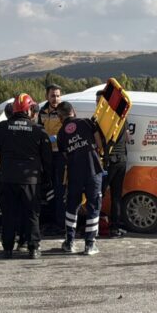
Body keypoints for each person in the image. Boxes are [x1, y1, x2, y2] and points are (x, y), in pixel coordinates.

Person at [0, 94, 52, 259]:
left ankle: (7, 248)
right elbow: (47, 159)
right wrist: (48, 179)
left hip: (7, 178)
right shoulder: (38, 130)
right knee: (32, 214)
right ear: (29, 110)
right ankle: (33, 248)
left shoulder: (0, 129)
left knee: (9, 214)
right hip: (31, 181)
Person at [57, 101, 105, 255]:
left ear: (60, 117)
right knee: (93, 206)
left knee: (72, 206)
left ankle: (70, 243)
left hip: (75, 173)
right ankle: (90, 245)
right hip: (93, 170)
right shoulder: (87, 122)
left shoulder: (61, 133)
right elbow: (99, 144)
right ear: (73, 111)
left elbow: (65, 155)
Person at [97, 89, 128, 237]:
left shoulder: (101, 119)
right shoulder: (122, 118)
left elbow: (98, 142)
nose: (97, 105)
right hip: (122, 160)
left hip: (108, 161)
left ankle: (94, 225)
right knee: (116, 195)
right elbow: (127, 137)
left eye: (99, 102)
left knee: (98, 194)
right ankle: (115, 227)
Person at [37, 84, 65, 234]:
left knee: (60, 190)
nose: (56, 99)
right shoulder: (42, 111)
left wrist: (56, 139)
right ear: (47, 96)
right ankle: (49, 221)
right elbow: (39, 130)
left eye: (58, 95)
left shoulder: (64, 110)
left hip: (60, 155)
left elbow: (68, 129)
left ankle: (60, 223)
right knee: (48, 190)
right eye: (53, 96)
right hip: (47, 156)